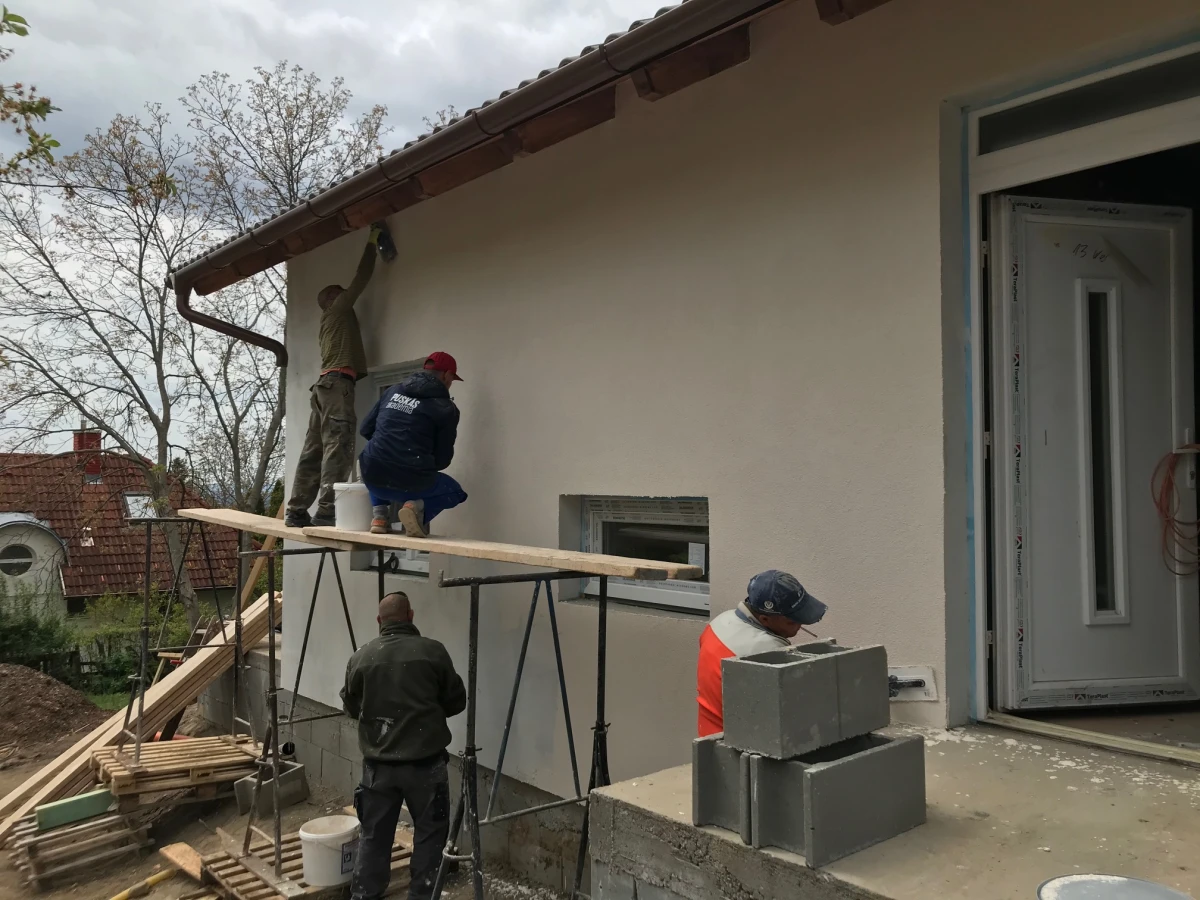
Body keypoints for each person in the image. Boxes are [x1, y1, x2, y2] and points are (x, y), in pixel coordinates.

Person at [342, 592, 466, 900]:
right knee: (430, 836)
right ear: (410, 616)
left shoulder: (361, 657)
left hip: (378, 769)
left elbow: (352, 707)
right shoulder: (433, 652)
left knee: (374, 836)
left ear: (379, 621)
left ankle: (365, 895)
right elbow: (456, 701)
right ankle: (422, 895)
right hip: (426, 765)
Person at [285, 226, 386, 528]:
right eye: (341, 292)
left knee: (313, 450)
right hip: (337, 385)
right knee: (337, 446)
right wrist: (372, 242)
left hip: (324, 387)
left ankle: (296, 511)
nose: (346, 295)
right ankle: (327, 511)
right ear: (333, 298)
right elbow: (361, 277)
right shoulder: (338, 309)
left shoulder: (329, 321)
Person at [696, 569, 827, 737]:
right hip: (735, 741)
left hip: (709, 730)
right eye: (792, 621)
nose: (799, 626)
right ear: (765, 619)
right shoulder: (766, 651)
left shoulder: (719, 622)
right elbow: (792, 709)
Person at [358, 352, 467, 537]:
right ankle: (415, 508)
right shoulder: (447, 408)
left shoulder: (392, 391)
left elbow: (365, 429)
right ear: (446, 375)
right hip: (412, 482)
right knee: (455, 492)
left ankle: (379, 517)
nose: (450, 384)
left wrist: (392, 447)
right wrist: (417, 460)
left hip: (372, 477)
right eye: (451, 379)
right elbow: (442, 460)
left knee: (378, 455)